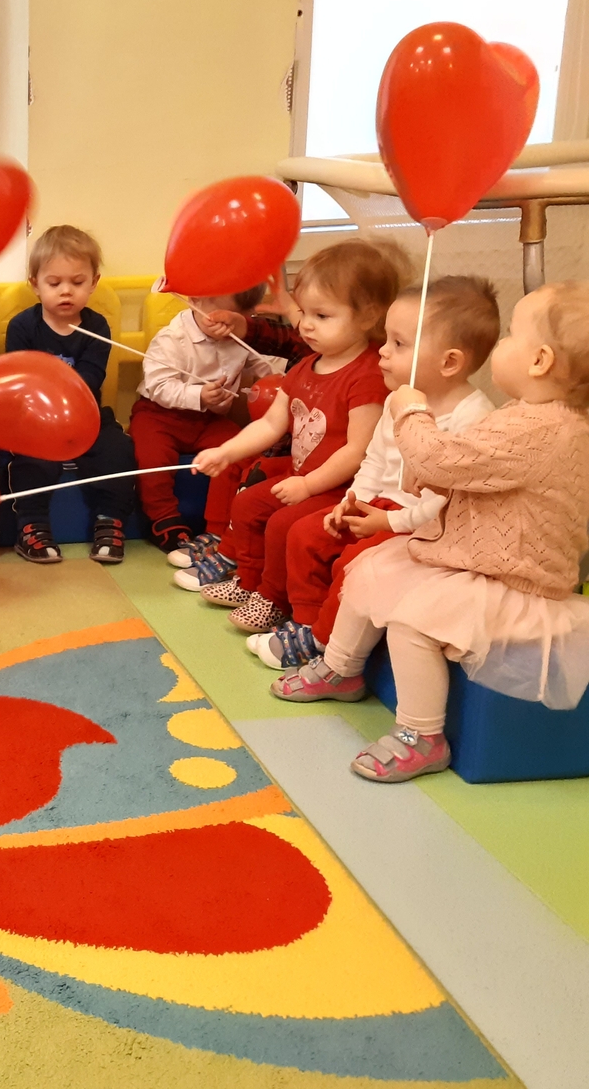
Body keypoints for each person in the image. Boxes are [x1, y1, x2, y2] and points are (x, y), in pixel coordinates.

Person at [272, 282, 589, 782]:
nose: (500, 345)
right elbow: (461, 472)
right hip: (472, 560)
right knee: (372, 568)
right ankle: (341, 666)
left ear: (540, 361)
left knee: (412, 622)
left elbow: (440, 460)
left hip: (514, 580)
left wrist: (410, 410)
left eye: (510, 335)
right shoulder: (528, 416)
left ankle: (421, 735)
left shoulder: (543, 428)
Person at [247, 277, 497, 668]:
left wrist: (389, 521)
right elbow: (375, 459)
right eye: (387, 339)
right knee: (306, 534)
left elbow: (445, 504)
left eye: (399, 343)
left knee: (355, 562)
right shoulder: (397, 398)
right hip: (379, 506)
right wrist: (354, 501)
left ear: (449, 362)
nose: (381, 350)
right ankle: (306, 621)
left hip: (425, 526)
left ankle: (324, 639)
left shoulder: (473, 418)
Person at [186, 239, 402, 630]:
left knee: (284, 524)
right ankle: (250, 582)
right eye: (303, 312)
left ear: (368, 316)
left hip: (342, 488)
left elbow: (358, 451)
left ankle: (275, 599)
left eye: (322, 315)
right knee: (248, 504)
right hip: (303, 477)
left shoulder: (368, 374)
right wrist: (227, 452)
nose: (305, 324)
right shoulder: (307, 366)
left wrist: (308, 485)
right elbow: (271, 424)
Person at [3, 225, 138, 564]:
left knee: (118, 449)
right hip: (37, 418)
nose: (66, 291)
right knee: (30, 456)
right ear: (35, 284)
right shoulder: (22, 326)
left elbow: (91, 378)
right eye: (54, 283)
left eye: (77, 282)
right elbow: (21, 382)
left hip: (86, 414)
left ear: (93, 283)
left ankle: (110, 521)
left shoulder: (97, 326)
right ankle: (31, 525)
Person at [130, 281, 279, 557]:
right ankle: (163, 518)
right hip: (159, 415)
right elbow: (158, 385)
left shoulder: (242, 336)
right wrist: (198, 395)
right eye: (219, 318)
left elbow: (269, 366)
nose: (227, 327)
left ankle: (221, 525)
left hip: (209, 421)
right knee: (152, 458)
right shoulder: (172, 338)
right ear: (194, 300)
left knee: (241, 452)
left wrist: (283, 372)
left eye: (237, 319)